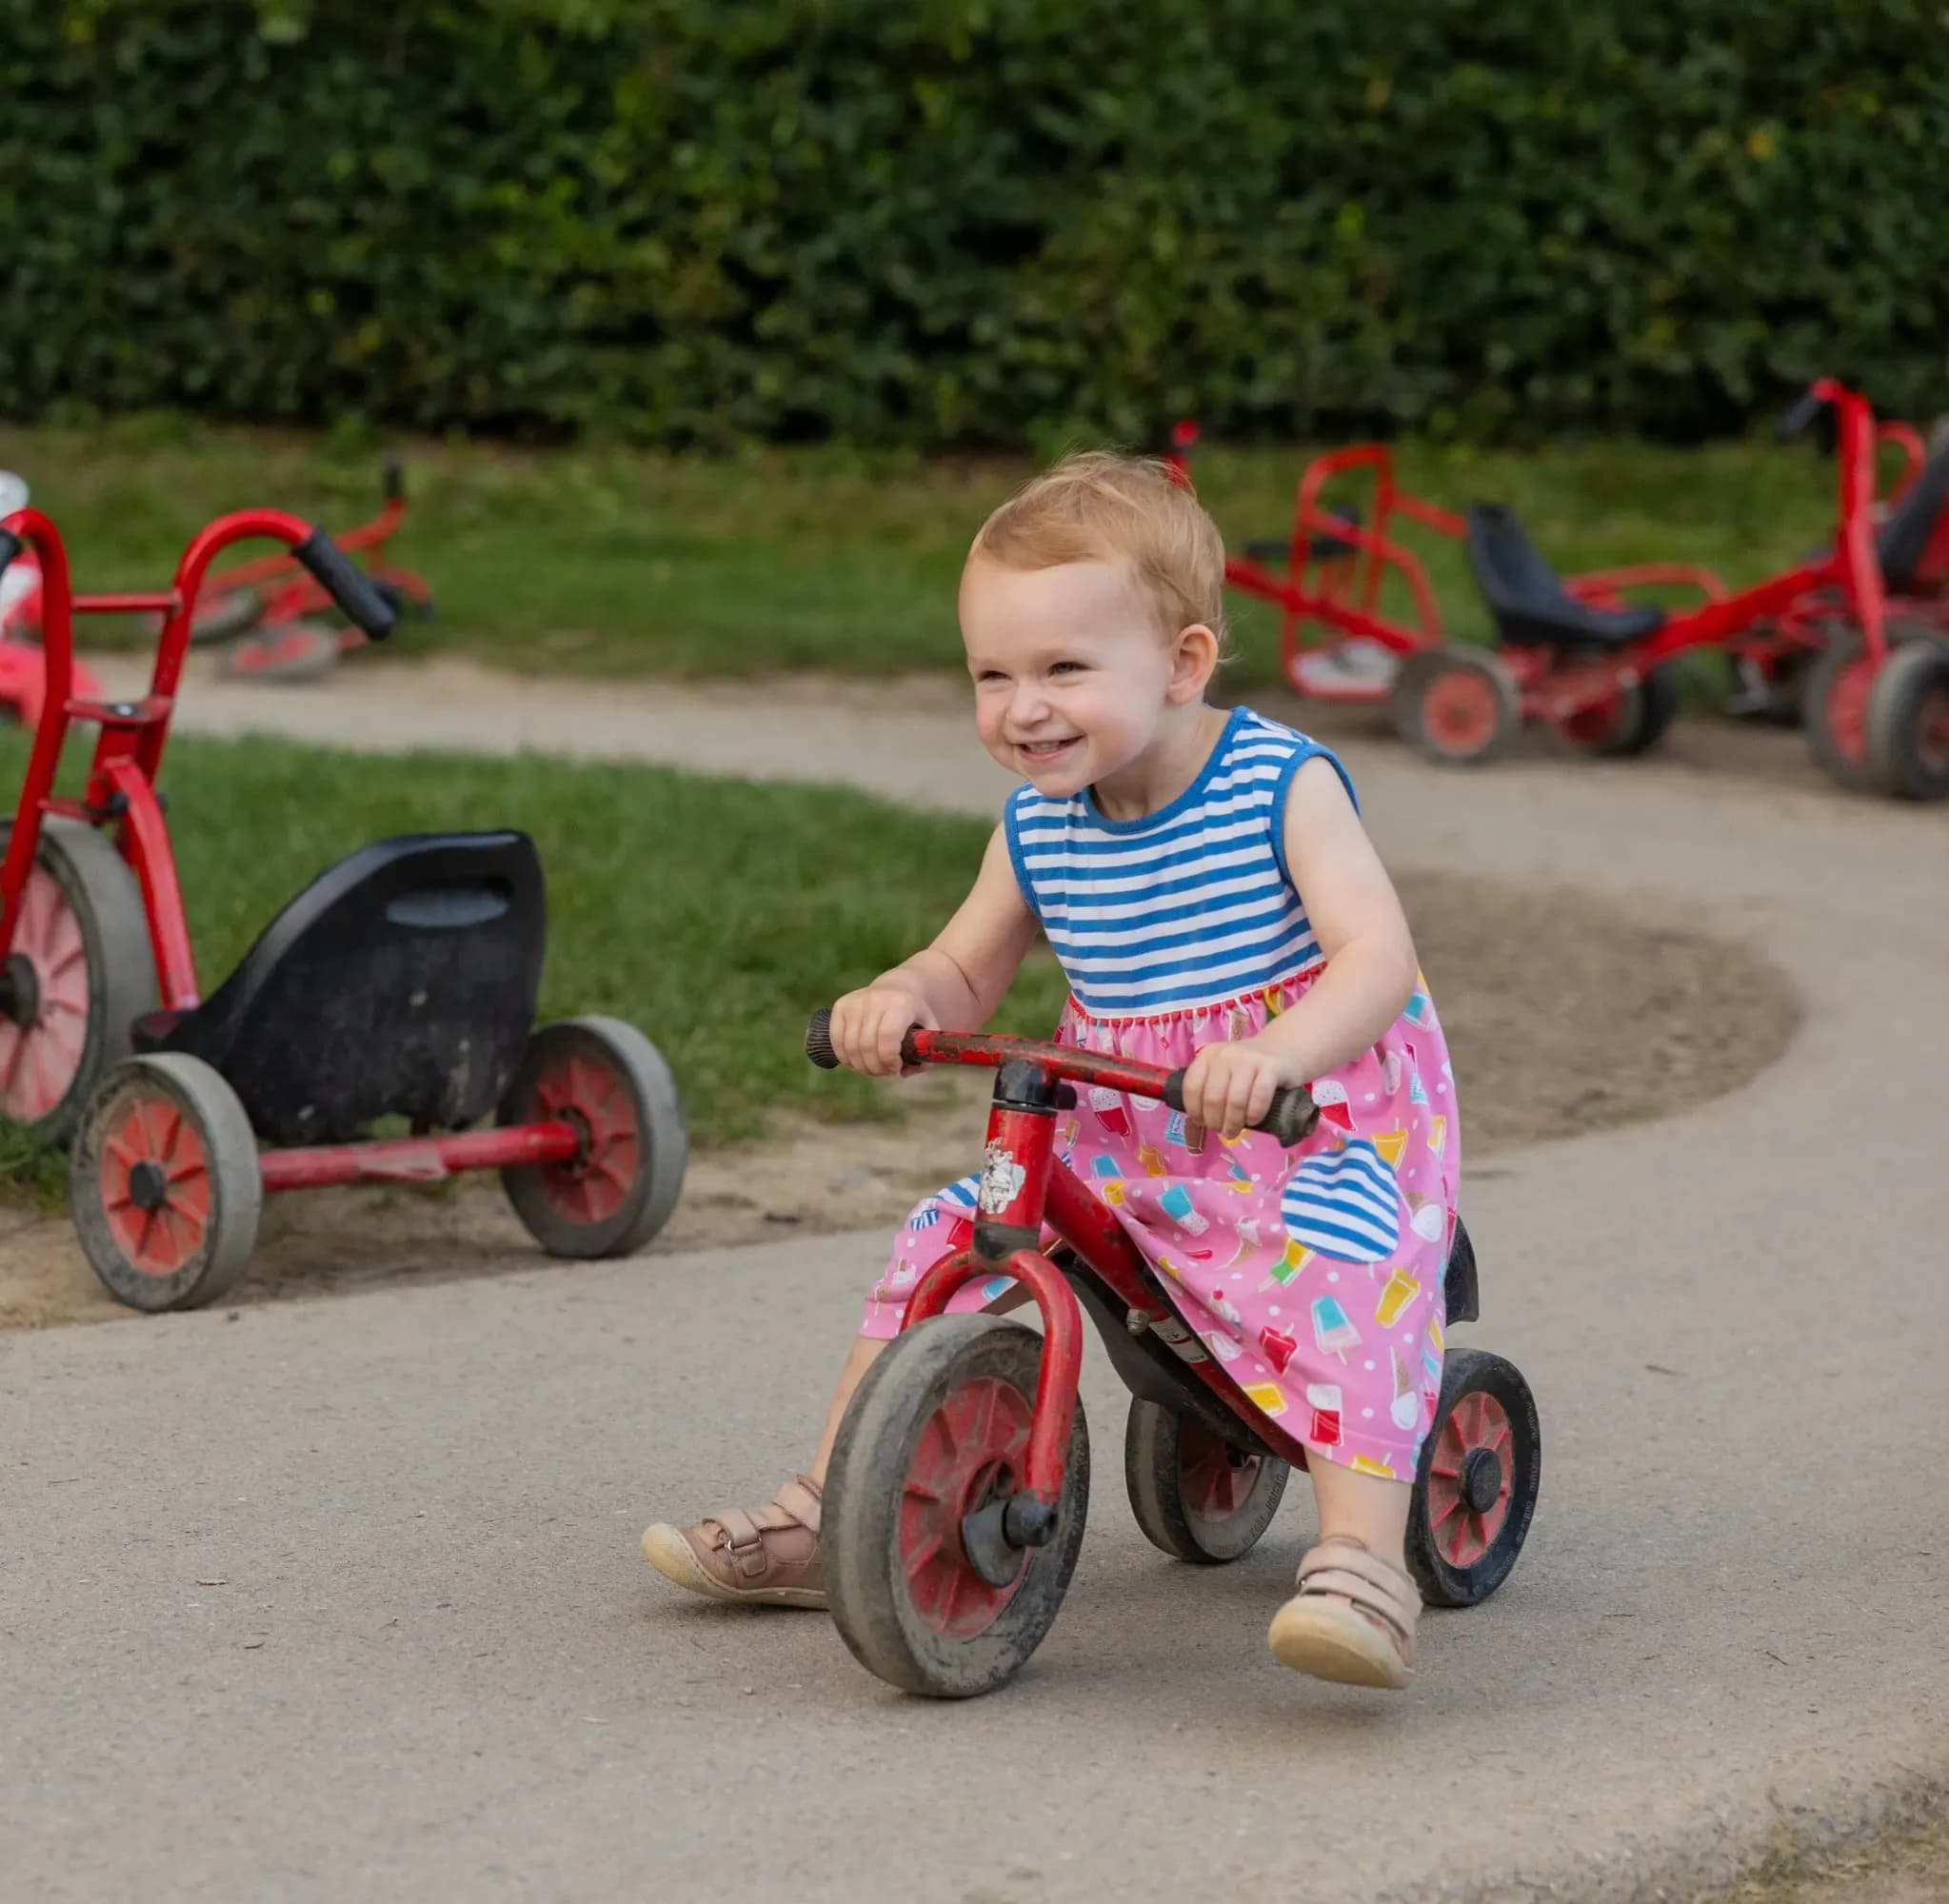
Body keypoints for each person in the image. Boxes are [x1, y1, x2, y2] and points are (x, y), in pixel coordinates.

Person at [643, 451, 1458, 1690]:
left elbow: (1377, 957)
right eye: (993, 675)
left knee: (1344, 1270)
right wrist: (901, 1000)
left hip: (1306, 1120)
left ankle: (1362, 1567)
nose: (1025, 706)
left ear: (1183, 664)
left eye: (1065, 670)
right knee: (946, 1237)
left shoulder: (1276, 785)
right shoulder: (1037, 825)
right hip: (1126, 1129)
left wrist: (1273, 1054)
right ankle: (832, 1502)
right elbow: (965, 969)